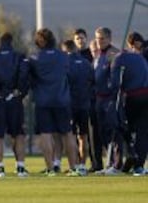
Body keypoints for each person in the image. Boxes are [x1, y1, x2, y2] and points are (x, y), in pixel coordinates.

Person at [29, 28, 81, 177]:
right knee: (67, 133)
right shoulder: (64, 57)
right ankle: (74, 168)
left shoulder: (35, 58)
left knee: (45, 134)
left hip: (43, 100)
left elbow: (30, 78)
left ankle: (51, 168)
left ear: (39, 42)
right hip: (62, 99)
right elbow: (68, 74)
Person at [0, 32, 29, 178]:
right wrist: (19, 91)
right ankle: (20, 167)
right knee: (19, 134)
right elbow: (24, 75)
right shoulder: (19, 57)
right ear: (11, 42)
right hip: (14, 100)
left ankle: (0, 168)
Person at [110, 50, 148, 176]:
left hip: (132, 97)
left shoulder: (119, 59)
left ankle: (126, 157)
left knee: (122, 127)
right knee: (142, 132)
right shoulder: (140, 58)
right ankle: (139, 166)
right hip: (146, 96)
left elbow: (116, 84)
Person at [62, 40, 94, 175]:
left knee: (71, 136)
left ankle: (74, 165)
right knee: (84, 136)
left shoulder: (65, 63)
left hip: (70, 104)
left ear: (65, 50)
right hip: (85, 104)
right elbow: (93, 81)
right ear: (75, 48)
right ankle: (82, 165)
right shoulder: (86, 63)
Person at [93, 27, 122, 175]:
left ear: (109, 39)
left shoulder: (114, 54)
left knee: (114, 131)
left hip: (110, 99)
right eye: (97, 38)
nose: (99, 41)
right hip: (99, 98)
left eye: (102, 38)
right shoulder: (98, 55)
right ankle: (109, 163)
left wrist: (113, 94)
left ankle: (117, 165)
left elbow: (115, 79)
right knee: (102, 132)